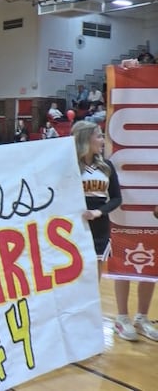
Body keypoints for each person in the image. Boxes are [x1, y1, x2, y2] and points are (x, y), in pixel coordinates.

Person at [73, 121, 120, 282]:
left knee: (95, 276)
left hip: (99, 225)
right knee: (74, 272)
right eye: (99, 136)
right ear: (86, 139)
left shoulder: (106, 166)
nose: (102, 140)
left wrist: (98, 212)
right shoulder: (70, 166)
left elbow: (116, 198)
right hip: (75, 225)